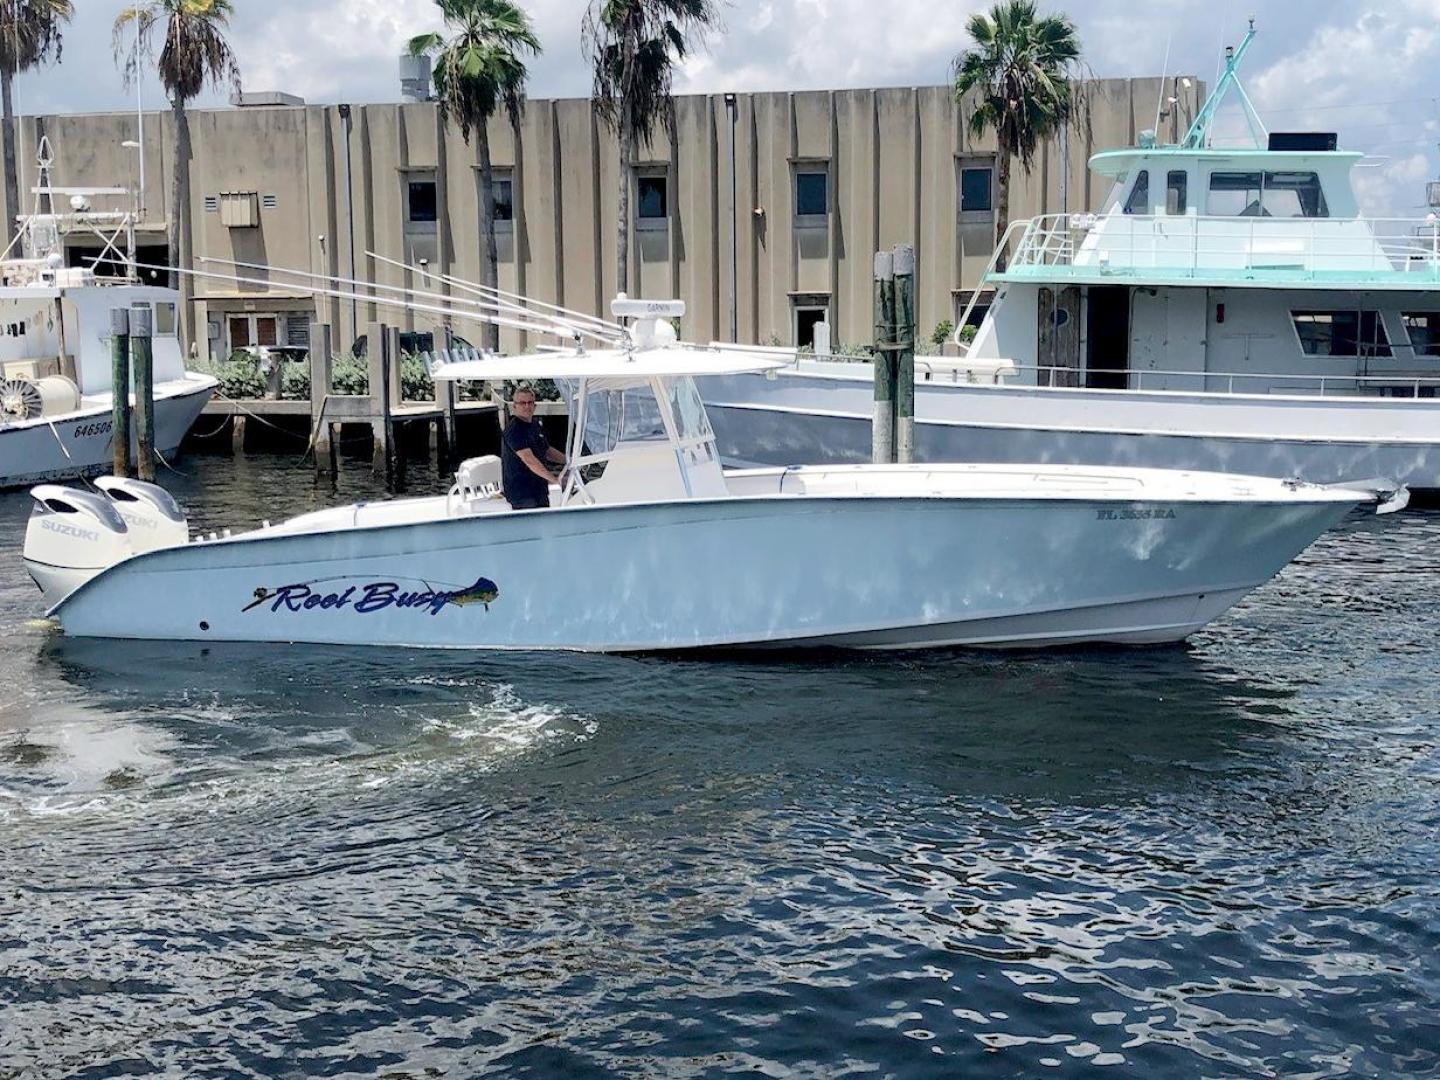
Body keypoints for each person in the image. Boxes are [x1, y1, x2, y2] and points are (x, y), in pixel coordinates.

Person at [501, 384, 567, 509]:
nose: (527, 406)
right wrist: (555, 480)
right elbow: (529, 460)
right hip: (522, 494)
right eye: (522, 403)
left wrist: (569, 460)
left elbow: (547, 451)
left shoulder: (535, 425)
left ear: (535, 405)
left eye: (530, 403)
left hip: (539, 489)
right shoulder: (514, 430)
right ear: (514, 406)